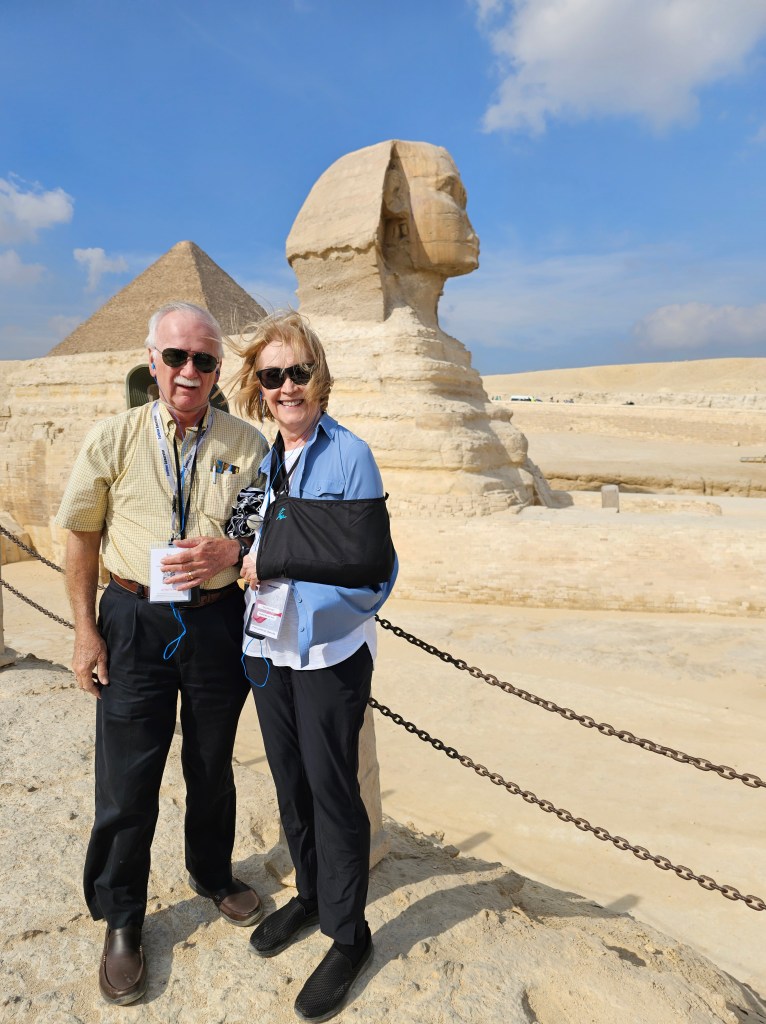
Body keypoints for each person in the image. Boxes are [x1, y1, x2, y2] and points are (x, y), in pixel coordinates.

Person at [56, 301, 270, 1006]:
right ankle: (122, 916)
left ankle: (211, 873)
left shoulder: (247, 443)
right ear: (152, 361)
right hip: (133, 619)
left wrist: (232, 549)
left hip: (214, 621)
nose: (188, 371)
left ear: (217, 370)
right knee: (127, 778)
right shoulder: (114, 437)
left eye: (203, 360)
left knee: (212, 763)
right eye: (175, 357)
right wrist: (85, 631)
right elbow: (81, 534)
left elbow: (266, 533)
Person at [232, 310, 397, 1022]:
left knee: (334, 792)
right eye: (273, 376)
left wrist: (279, 562)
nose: (287, 386)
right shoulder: (268, 460)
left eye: (298, 371)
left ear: (320, 377)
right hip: (270, 648)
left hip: (328, 653)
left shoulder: (350, 455)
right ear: (258, 387)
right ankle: (309, 894)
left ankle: (349, 933)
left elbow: (370, 563)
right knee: (291, 782)